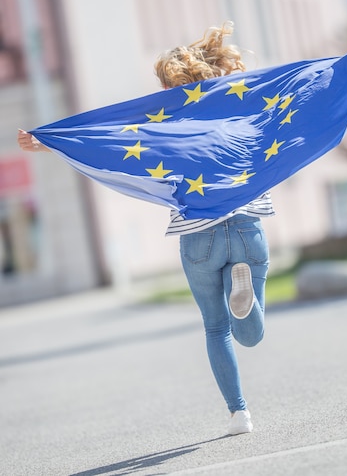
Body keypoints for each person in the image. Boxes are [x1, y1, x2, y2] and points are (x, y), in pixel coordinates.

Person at [17, 21, 275, 435]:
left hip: (198, 236)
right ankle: (243, 290)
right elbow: (287, 116)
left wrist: (50, 140)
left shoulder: (162, 123)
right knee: (250, 334)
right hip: (247, 225)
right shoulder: (240, 107)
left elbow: (108, 139)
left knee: (215, 327)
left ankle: (239, 414)